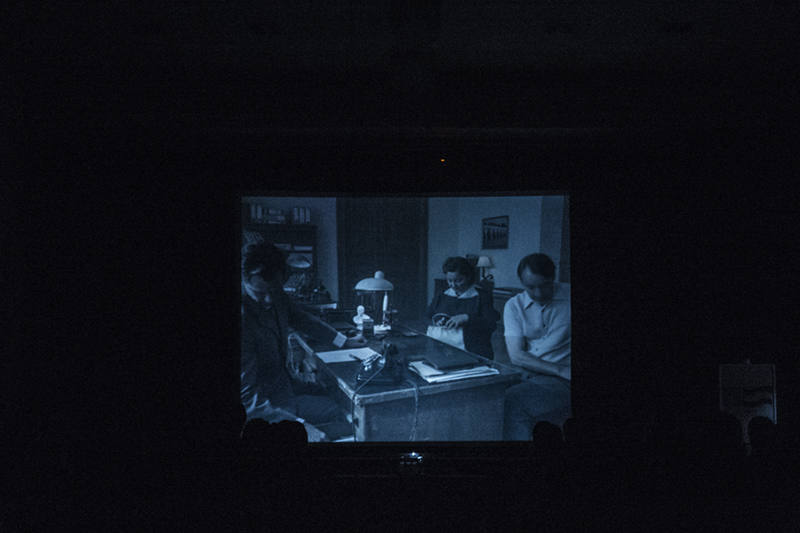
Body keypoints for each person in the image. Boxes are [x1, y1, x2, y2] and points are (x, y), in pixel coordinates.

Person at [241, 241, 366, 442]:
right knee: (338, 411)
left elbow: (301, 318)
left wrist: (344, 341)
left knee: (337, 395)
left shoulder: (274, 292)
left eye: (274, 290)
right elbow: (246, 400)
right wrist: (299, 426)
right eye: (260, 293)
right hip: (265, 405)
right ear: (244, 280)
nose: (269, 300)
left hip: (283, 385)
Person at [503, 253, 571, 440]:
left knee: (510, 402)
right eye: (530, 287)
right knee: (486, 397)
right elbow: (516, 355)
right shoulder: (513, 305)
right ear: (522, 283)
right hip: (533, 373)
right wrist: (560, 369)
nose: (539, 294)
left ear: (553, 278)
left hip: (562, 380)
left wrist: (563, 372)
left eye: (545, 285)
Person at [425, 256, 500, 359]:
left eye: (458, 280)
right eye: (449, 280)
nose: (453, 285)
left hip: (472, 351)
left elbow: (491, 324)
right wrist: (435, 321)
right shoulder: (442, 294)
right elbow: (427, 315)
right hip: (442, 349)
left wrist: (467, 318)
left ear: (468, 276)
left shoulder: (482, 296)